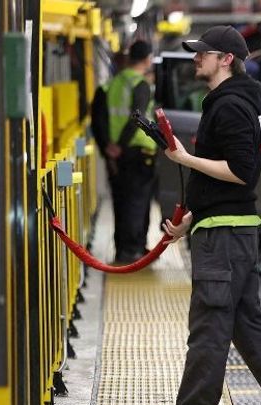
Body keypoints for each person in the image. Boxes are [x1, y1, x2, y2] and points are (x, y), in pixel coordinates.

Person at [139, 26, 261, 405]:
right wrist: (189, 220)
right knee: (247, 324)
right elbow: (223, 185)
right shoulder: (226, 103)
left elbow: (240, 171)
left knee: (209, 327)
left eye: (204, 53)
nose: (197, 59)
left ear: (226, 59)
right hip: (227, 229)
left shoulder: (230, 107)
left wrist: (184, 158)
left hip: (225, 238)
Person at [103, 40, 157, 264]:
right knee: (138, 202)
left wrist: (111, 145)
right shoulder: (140, 84)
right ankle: (132, 250)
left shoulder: (114, 82)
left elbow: (106, 116)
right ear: (147, 59)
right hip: (137, 149)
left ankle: (124, 247)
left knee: (123, 201)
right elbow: (137, 119)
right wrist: (121, 145)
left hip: (118, 152)